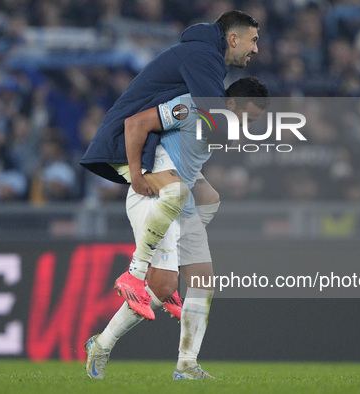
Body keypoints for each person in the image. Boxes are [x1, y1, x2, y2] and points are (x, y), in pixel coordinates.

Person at [85, 77, 270, 380]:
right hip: (154, 197)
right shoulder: (192, 108)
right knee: (163, 286)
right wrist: (136, 175)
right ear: (231, 104)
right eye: (248, 117)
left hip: (179, 202)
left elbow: (184, 162)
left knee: (202, 282)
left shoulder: (220, 129)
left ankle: (187, 365)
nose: (248, 125)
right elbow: (136, 124)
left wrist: (201, 187)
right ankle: (103, 341)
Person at [80, 10, 260, 321]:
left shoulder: (204, 57)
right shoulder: (206, 57)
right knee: (176, 193)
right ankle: (134, 274)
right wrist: (136, 172)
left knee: (208, 198)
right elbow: (212, 117)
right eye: (253, 40)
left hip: (147, 141)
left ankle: (168, 264)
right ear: (233, 39)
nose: (256, 49)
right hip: (128, 141)